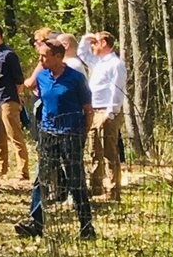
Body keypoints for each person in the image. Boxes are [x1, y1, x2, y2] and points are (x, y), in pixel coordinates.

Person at [16, 34, 97, 240]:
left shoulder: (76, 79)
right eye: (40, 56)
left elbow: (88, 109)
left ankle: (86, 227)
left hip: (71, 134)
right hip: (48, 133)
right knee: (40, 180)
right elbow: (41, 99)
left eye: (44, 56)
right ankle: (36, 223)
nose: (40, 60)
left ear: (58, 56)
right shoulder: (42, 77)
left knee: (75, 181)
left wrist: (82, 134)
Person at [84, 31, 127, 203]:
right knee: (94, 149)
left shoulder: (116, 64)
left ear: (103, 43)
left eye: (95, 43)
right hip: (94, 110)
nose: (92, 46)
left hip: (107, 112)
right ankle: (96, 187)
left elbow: (117, 89)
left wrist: (110, 113)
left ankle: (113, 190)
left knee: (109, 152)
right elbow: (82, 54)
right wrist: (85, 39)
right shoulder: (99, 62)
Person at [0, 24, 30, 178]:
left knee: (15, 135)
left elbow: (19, 79)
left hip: (8, 99)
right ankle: (0, 168)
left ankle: (23, 170)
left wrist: (18, 96)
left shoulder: (9, 55)